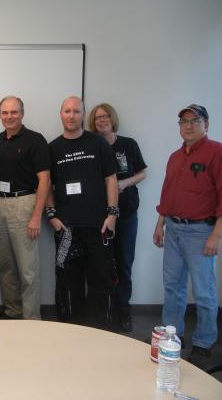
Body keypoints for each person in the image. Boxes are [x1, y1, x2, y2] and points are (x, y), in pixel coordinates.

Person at [153, 104, 222, 366]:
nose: (188, 125)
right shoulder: (175, 156)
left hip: (201, 231)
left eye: (195, 120)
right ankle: (173, 335)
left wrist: (216, 235)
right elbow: (168, 194)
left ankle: (204, 342)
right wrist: (160, 224)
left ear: (207, 124)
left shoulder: (216, 152)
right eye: (183, 121)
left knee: (203, 291)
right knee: (173, 287)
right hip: (173, 229)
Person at [46, 96, 119, 330]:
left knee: (101, 279)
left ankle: (102, 331)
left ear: (82, 115)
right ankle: (70, 330)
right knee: (67, 281)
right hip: (67, 229)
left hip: (99, 226)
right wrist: (52, 216)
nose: (71, 116)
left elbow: (111, 179)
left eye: (76, 112)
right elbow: (47, 185)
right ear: (60, 114)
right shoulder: (52, 148)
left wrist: (112, 215)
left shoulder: (98, 144)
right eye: (67, 111)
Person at [0, 96, 50, 320]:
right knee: (6, 267)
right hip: (1, 202)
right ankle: (13, 313)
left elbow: (45, 180)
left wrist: (36, 216)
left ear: (22, 114)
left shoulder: (35, 140)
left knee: (28, 269)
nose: (9, 117)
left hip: (25, 203)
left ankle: (31, 319)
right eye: (5, 113)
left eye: (14, 112)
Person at [88, 103, 147, 332]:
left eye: (105, 117)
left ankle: (123, 312)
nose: (102, 121)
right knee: (102, 265)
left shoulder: (128, 144)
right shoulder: (91, 145)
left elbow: (142, 172)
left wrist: (123, 183)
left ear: (113, 119)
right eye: (97, 118)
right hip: (99, 215)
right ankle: (105, 313)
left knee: (124, 263)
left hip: (127, 214)